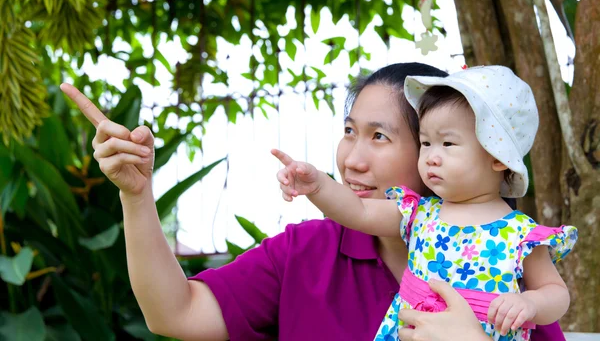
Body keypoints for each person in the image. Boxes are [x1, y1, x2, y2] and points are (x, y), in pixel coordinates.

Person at [59, 63, 568, 341]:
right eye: (349, 132)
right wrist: (136, 193)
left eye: (380, 137)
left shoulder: (508, 262)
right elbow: (175, 314)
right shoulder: (305, 253)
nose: (352, 159)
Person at [273, 65, 577, 341]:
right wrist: (318, 186)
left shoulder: (521, 235)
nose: (431, 156)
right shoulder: (419, 214)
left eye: (448, 144)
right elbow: (359, 211)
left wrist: (529, 303)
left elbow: (556, 293)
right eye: (426, 143)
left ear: (497, 158)